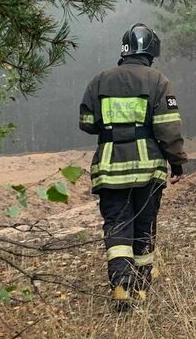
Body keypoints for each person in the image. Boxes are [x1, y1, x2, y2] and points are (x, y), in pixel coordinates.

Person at [78, 23, 187, 310]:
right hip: (148, 171)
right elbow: (168, 128)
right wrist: (177, 163)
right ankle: (140, 287)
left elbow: (87, 124)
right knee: (144, 227)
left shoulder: (100, 80)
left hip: (110, 169)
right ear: (151, 52)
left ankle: (121, 285)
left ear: (124, 50)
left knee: (117, 226)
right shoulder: (158, 81)